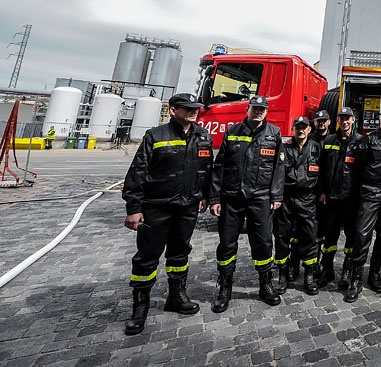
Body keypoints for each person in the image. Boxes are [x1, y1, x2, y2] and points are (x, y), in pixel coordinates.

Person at [121, 93, 212, 335]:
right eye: (188, 108)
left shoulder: (203, 136)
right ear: (173, 110)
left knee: (180, 253)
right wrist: (134, 208)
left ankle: (176, 297)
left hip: (187, 208)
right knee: (147, 257)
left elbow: (206, 170)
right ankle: (140, 308)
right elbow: (138, 172)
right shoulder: (156, 135)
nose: (194, 111)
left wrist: (204, 195)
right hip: (157, 207)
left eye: (196, 108)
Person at [209, 95, 285, 312]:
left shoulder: (274, 134)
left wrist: (276, 196)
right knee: (226, 244)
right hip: (231, 198)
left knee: (263, 243)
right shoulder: (232, 132)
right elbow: (220, 166)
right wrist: (215, 198)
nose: (259, 112)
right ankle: (225, 288)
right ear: (248, 109)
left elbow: (279, 169)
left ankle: (266, 284)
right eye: (255, 108)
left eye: (262, 109)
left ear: (266, 112)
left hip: (260, 198)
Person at [344, 107, 381, 303]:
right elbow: (356, 168)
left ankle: (374, 274)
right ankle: (356, 279)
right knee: (362, 236)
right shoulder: (367, 140)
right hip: (370, 192)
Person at [317, 107, 365, 291]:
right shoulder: (329, 140)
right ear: (337, 120)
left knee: (351, 237)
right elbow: (321, 168)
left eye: (348, 118)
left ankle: (347, 271)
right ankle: (327, 270)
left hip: (351, 198)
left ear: (353, 120)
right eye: (342, 118)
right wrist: (321, 191)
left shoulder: (361, 142)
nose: (345, 121)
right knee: (330, 236)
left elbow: (363, 171)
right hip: (331, 198)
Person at [273, 116, 321, 296]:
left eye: (304, 127)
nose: (301, 130)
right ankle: (283, 275)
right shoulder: (284, 147)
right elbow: (276, 173)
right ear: (293, 129)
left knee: (309, 237)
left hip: (307, 199)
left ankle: (309, 276)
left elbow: (323, 173)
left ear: (309, 129)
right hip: (286, 198)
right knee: (282, 236)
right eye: (297, 127)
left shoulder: (316, 148)